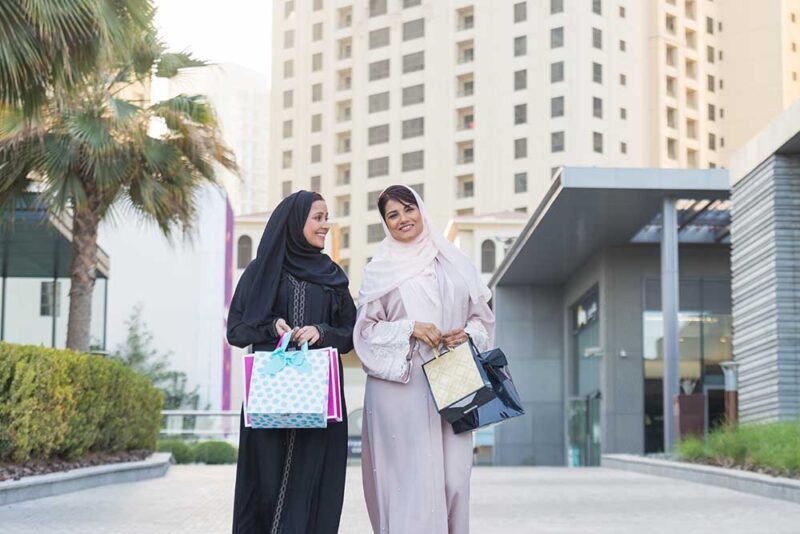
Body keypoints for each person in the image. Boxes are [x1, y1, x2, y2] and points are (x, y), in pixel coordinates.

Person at [353, 185, 495, 534]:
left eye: (408, 209)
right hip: (400, 387)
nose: (403, 219)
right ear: (385, 223)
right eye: (393, 215)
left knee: (454, 480)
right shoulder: (380, 270)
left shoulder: (454, 262)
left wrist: (467, 333)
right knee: (410, 483)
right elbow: (365, 333)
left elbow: (483, 318)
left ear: (421, 210)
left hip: (453, 375)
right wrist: (410, 329)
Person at [227, 190, 356, 534]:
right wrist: (270, 326)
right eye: (318, 217)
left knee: (312, 482)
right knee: (267, 483)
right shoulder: (260, 271)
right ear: (295, 220)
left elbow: (350, 333)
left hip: (319, 399)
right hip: (271, 400)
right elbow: (236, 331)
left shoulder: (333, 275)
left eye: (326, 218)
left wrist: (321, 331)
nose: (325, 226)